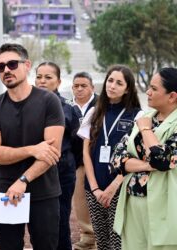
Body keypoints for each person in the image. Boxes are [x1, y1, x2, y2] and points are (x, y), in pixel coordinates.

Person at [0, 43, 65, 250]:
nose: (6, 70)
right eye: (0, 67)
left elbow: (51, 153)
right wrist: (32, 149)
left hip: (44, 192)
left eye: (12, 64)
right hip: (7, 192)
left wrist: (23, 180)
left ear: (27, 65)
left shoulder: (49, 101)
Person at [77, 65, 142, 250]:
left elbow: (135, 156)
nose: (112, 86)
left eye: (119, 83)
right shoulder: (94, 112)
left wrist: (113, 186)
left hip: (120, 190)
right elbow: (86, 154)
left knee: (118, 242)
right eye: (110, 80)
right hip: (94, 189)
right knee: (102, 242)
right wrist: (95, 188)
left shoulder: (137, 116)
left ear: (127, 88)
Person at [111, 67, 177, 250]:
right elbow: (117, 160)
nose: (148, 92)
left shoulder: (145, 123)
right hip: (132, 201)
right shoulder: (145, 117)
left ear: (172, 96)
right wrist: (149, 165)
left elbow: (163, 161)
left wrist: (146, 131)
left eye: (154, 89)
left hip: (165, 205)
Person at [35, 62, 80, 250]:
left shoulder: (69, 109)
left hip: (62, 172)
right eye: (39, 76)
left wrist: (67, 163)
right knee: (38, 223)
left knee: (60, 220)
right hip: (34, 172)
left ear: (59, 81)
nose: (42, 81)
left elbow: (77, 142)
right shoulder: (29, 105)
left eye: (48, 77)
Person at [71, 72, 98, 250]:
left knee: (102, 199)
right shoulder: (66, 106)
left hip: (99, 161)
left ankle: (106, 237)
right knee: (80, 200)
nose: (79, 89)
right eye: (76, 86)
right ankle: (88, 236)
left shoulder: (102, 104)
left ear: (92, 88)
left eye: (84, 86)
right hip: (77, 161)